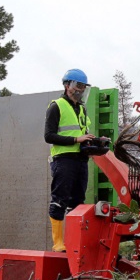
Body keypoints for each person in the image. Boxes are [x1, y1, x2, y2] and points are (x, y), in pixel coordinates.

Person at [44, 68, 95, 252]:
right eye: (77, 85)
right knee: (60, 199)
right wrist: (76, 140)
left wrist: (90, 141)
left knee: (77, 202)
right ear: (67, 86)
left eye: (83, 86)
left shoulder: (82, 109)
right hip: (63, 160)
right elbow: (48, 136)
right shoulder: (56, 106)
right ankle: (58, 243)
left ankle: (72, 241)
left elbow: (81, 132)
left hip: (80, 160)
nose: (80, 89)